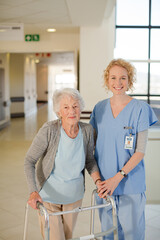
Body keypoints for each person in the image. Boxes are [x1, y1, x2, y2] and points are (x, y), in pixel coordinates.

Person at [90, 58, 158, 240]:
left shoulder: (140, 109)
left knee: (132, 235)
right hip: (104, 187)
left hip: (130, 185)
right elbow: (93, 150)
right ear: (107, 81)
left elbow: (140, 151)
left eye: (123, 78)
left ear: (130, 80)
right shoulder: (99, 109)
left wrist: (117, 177)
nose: (118, 83)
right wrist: (100, 182)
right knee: (107, 235)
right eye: (113, 78)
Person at [24, 88, 101, 240]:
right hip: (48, 197)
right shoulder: (49, 130)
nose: (71, 111)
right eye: (66, 107)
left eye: (75, 106)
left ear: (80, 108)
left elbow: (89, 160)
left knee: (67, 237)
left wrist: (98, 181)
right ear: (59, 112)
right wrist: (33, 191)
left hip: (74, 196)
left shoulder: (87, 130)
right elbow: (29, 161)